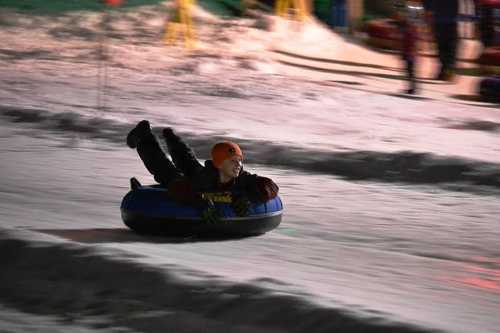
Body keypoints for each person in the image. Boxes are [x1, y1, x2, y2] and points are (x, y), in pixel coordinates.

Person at [126, 120, 279, 223]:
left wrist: (250, 197)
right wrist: (199, 203)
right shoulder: (202, 181)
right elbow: (178, 189)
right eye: (233, 161)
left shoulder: (242, 177)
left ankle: (171, 137)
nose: (238, 165)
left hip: (201, 173)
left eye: (240, 160)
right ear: (219, 163)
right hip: (191, 182)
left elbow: (270, 186)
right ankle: (143, 135)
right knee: (167, 170)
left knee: (188, 162)